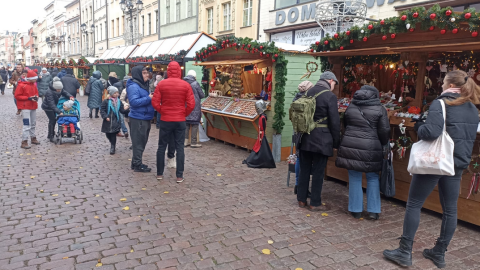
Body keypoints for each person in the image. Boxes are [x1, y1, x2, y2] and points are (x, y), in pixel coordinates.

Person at [384, 70, 480, 268]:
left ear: (448, 83)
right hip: (458, 163)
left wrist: (419, 125)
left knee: (414, 203)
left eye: (444, 81)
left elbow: (431, 132)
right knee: (450, 210)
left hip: (435, 162)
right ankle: (439, 252)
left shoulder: (441, 103)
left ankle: (404, 251)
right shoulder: (472, 107)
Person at [335, 85, 390, 220]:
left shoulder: (351, 107)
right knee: (372, 177)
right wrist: (383, 144)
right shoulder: (380, 109)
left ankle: (356, 209)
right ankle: (373, 211)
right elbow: (384, 131)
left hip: (351, 145)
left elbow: (345, 125)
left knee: (354, 177)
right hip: (372, 146)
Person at [297, 71, 341, 211]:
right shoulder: (330, 96)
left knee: (304, 169)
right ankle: (315, 202)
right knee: (318, 172)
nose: (334, 86)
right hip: (322, 139)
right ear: (330, 81)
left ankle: (301, 199)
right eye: (334, 83)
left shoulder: (308, 92)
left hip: (304, 136)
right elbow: (335, 122)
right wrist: (336, 143)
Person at [153, 61, 195, 183]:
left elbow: (155, 103)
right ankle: (179, 175)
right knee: (180, 147)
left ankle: (159, 174)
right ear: (179, 71)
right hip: (180, 120)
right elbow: (191, 104)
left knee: (161, 147)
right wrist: (183, 113)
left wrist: (163, 111)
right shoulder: (185, 85)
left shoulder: (161, 84)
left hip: (166, 119)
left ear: (168, 71)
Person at [127, 66, 155, 172]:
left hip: (144, 117)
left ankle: (135, 163)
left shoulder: (143, 85)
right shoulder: (134, 86)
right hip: (138, 118)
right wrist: (149, 98)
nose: (147, 75)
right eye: (144, 73)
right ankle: (138, 165)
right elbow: (134, 102)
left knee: (141, 142)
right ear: (138, 74)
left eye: (147, 72)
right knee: (139, 142)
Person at [293, 81, 313, 195]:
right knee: (304, 159)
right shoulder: (308, 100)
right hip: (306, 132)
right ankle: (303, 186)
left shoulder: (296, 99)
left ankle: (297, 184)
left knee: (299, 157)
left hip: (297, 131)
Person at [243, 100, 276, 168]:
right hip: (261, 135)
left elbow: (263, 127)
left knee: (260, 148)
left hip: (262, 135)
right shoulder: (262, 117)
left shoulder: (263, 117)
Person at [42, 77, 73, 142]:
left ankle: (50, 134)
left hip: (54, 105)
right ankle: (51, 136)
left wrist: (70, 96)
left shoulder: (59, 88)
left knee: (54, 120)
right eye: (58, 89)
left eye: (60, 89)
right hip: (48, 107)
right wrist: (59, 111)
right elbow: (51, 104)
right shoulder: (49, 92)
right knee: (52, 120)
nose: (59, 90)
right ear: (55, 88)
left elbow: (64, 92)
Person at [15, 70, 40, 149]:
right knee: (26, 124)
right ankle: (24, 141)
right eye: (35, 78)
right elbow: (17, 96)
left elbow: (36, 93)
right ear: (30, 78)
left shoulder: (33, 85)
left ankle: (33, 137)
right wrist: (28, 98)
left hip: (33, 106)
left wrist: (36, 97)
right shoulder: (22, 85)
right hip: (25, 107)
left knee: (33, 123)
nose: (36, 80)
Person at [101, 86, 128, 155]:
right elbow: (102, 110)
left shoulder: (119, 101)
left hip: (116, 120)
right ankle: (112, 142)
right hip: (108, 121)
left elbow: (121, 110)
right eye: (115, 93)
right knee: (108, 134)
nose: (116, 94)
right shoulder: (106, 101)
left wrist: (127, 110)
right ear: (111, 93)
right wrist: (105, 116)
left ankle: (112, 147)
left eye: (117, 93)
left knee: (113, 134)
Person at [184, 70, 206, 148]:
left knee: (186, 124)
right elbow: (202, 95)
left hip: (185, 105)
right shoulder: (195, 83)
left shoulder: (184, 83)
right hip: (194, 105)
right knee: (194, 124)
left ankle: (185, 141)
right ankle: (193, 142)